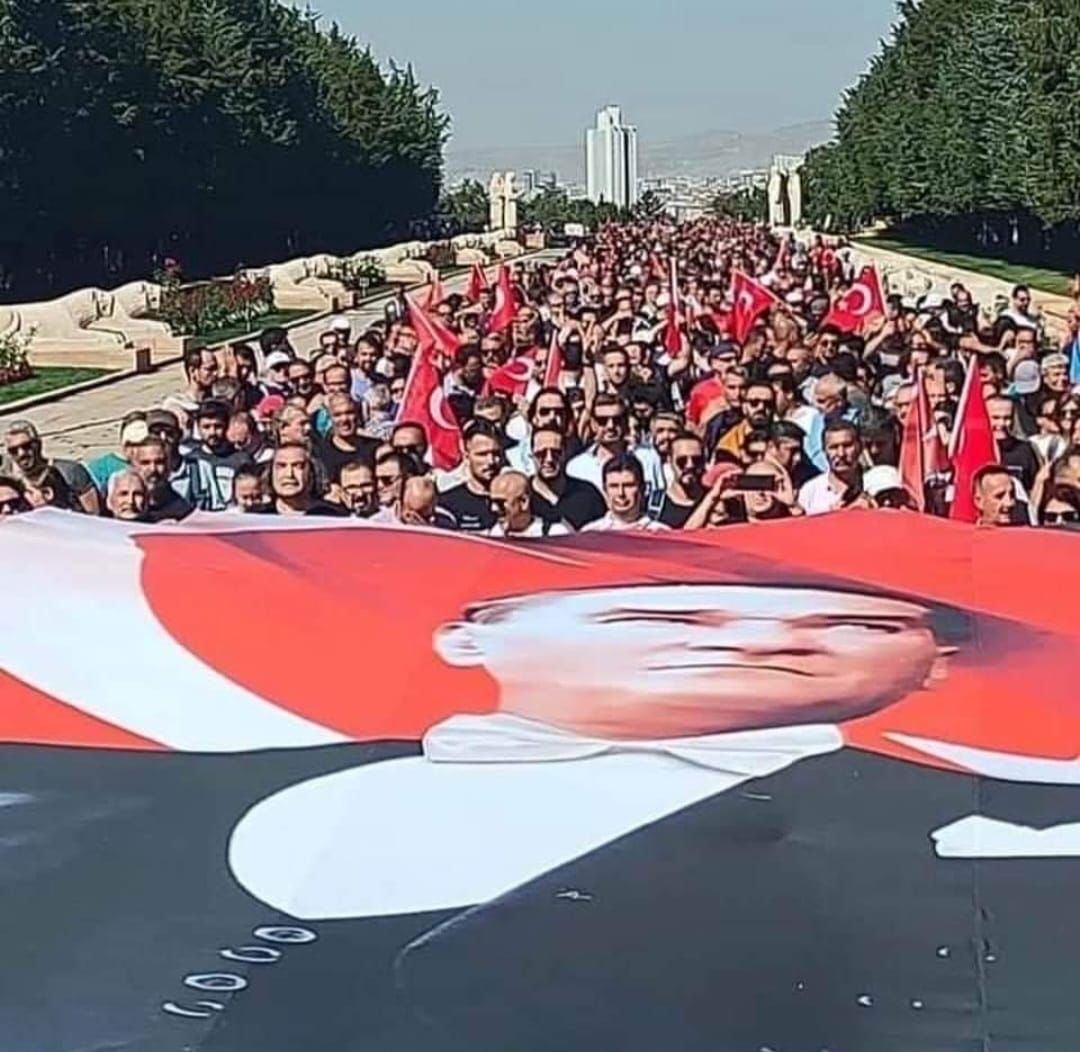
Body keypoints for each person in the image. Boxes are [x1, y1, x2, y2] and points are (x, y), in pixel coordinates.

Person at [228, 579, 1079, 1052]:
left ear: (937, 662)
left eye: (859, 622)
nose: (762, 642)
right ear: (467, 636)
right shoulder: (241, 790)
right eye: (657, 614)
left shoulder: (1016, 825)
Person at [567, 394, 664, 498]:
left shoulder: (648, 458)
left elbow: (658, 498)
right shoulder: (577, 468)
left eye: (617, 420)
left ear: (626, 421)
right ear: (593, 424)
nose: (610, 426)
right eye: (602, 421)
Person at [3, 420, 100, 514]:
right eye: (13, 450)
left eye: (26, 446)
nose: (21, 453)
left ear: (38, 444)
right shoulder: (10, 482)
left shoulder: (69, 471)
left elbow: (94, 514)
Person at [528, 426, 605, 531]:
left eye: (556, 453)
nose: (549, 459)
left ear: (565, 454)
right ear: (531, 456)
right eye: (541, 454)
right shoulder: (521, 496)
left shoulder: (588, 495)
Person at [438, 420, 505, 533]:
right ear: (466, 455)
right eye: (482, 454)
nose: (491, 461)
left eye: (496, 454)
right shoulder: (448, 503)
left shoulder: (516, 500)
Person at [186, 399, 251, 512]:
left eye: (218, 426)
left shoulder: (241, 460)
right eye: (206, 427)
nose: (212, 432)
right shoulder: (191, 460)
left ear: (227, 426)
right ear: (198, 428)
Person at [584, 453, 667, 532]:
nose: (621, 493)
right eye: (614, 486)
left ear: (642, 488)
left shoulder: (661, 532)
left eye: (628, 486)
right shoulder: (590, 533)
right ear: (605, 490)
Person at [798, 420, 865, 515]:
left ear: (860, 447)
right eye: (834, 447)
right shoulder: (810, 491)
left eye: (847, 446)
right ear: (824, 450)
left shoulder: (873, 484)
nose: (841, 454)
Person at [265, 443, 349, 517]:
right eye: (281, 466)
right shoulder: (260, 516)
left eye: (298, 466)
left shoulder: (333, 515)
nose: (289, 474)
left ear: (312, 473)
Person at [130, 437, 194, 523]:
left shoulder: (182, 511)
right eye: (145, 463)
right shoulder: (124, 504)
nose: (153, 469)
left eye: (159, 462)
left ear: (169, 465)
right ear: (134, 466)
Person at [488, 471, 568, 538]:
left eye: (500, 503)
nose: (493, 508)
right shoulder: (493, 534)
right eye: (491, 502)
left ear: (524, 502)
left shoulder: (556, 533)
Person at [653, 432, 707, 529]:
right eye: (682, 461)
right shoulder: (652, 505)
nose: (690, 465)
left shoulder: (716, 503)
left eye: (696, 460)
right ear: (669, 460)